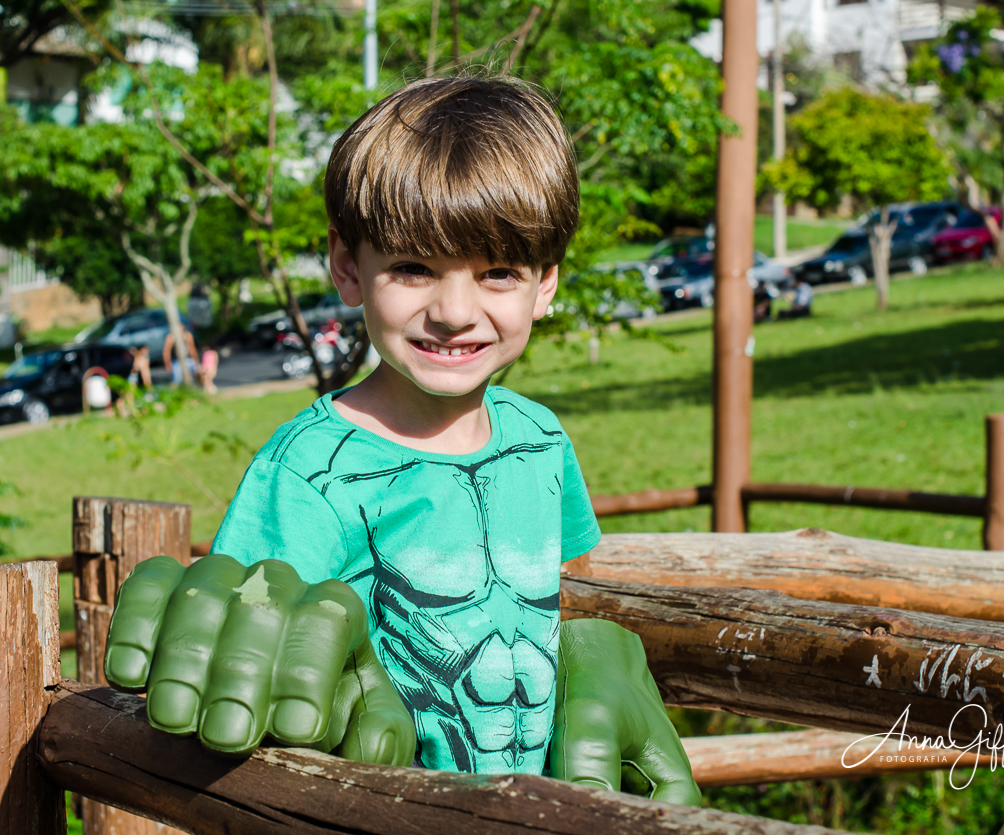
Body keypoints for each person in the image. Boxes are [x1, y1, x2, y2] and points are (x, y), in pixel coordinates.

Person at [101, 77, 701, 804]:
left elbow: (556, 605)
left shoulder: (543, 440)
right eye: (414, 267)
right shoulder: (308, 472)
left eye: (498, 273)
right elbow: (257, 645)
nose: (453, 311)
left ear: (546, 284)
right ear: (349, 267)